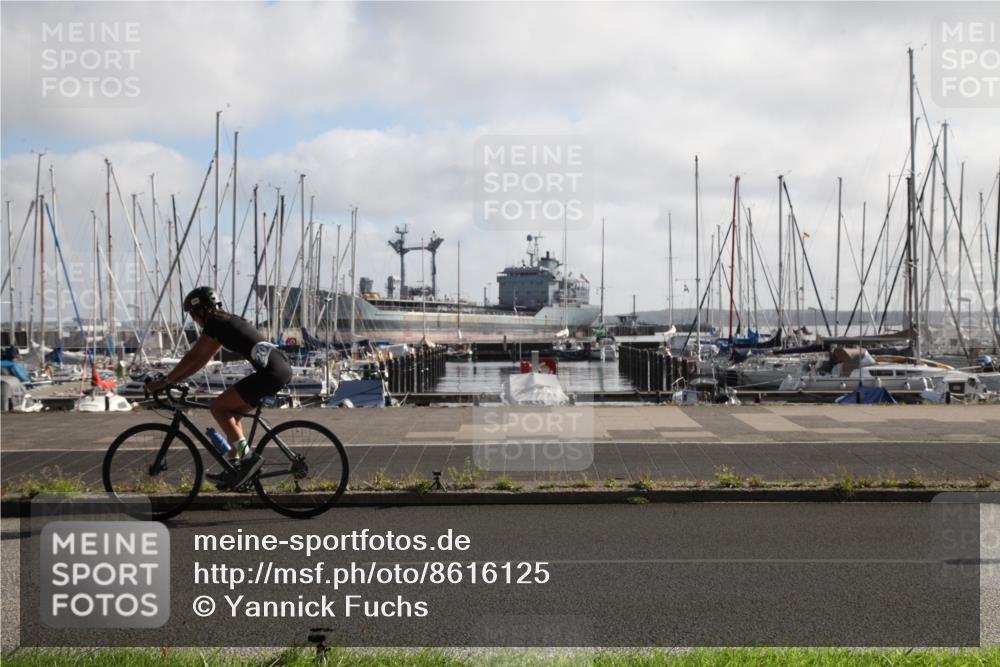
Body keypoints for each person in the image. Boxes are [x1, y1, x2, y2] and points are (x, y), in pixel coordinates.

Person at [145, 287, 292, 487]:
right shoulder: (225, 321)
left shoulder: (215, 323)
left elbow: (193, 356)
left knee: (218, 407)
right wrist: (172, 380)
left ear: (201, 310)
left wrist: (165, 382)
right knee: (231, 415)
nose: (194, 320)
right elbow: (202, 359)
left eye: (193, 315)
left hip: (270, 374)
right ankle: (235, 466)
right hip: (279, 370)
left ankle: (248, 459)